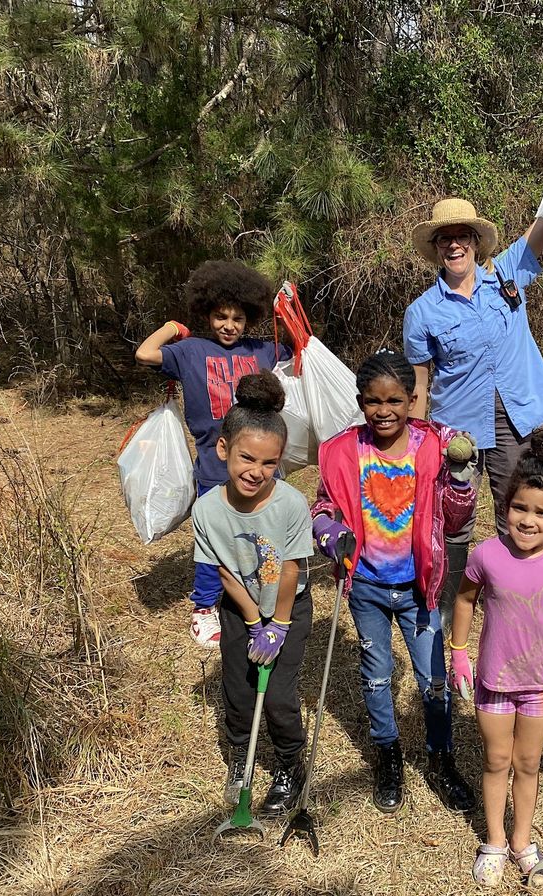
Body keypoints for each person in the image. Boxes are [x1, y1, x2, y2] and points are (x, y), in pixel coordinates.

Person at [310, 350, 480, 814]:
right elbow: (324, 507)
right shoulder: (342, 451)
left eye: (394, 401)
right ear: (360, 401)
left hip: (419, 588)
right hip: (364, 584)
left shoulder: (434, 448)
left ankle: (441, 758)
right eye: (372, 401)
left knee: (433, 680)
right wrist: (331, 534)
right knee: (377, 676)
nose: (383, 411)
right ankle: (388, 755)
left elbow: (457, 517)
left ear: (413, 400)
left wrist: (461, 481)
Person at [402, 198, 543, 628]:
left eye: (461, 236)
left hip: (515, 418)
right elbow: (420, 382)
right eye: (444, 239)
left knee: (516, 508)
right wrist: (415, 440)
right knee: (455, 518)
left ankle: (514, 597)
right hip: (458, 429)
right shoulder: (422, 312)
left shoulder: (506, 274)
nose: (454, 245)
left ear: (476, 242)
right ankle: (447, 603)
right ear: (437, 248)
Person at [448, 430, 543, 885]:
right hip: (494, 680)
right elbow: (466, 600)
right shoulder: (487, 554)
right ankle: (493, 840)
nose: (528, 520)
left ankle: (522, 840)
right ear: (504, 507)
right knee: (496, 760)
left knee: (529, 764)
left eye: (542, 512)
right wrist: (458, 652)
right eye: (520, 508)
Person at [135, 260, 288, 647]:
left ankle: (262, 590)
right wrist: (172, 328)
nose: (229, 325)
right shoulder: (189, 351)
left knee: (266, 532)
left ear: (249, 318)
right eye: (221, 316)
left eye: (238, 318)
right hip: (213, 464)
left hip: (261, 463)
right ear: (207, 314)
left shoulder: (261, 350)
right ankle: (204, 609)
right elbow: (144, 354)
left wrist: (288, 311)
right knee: (212, 539)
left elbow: (299, 349)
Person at [190, 372, 314, 816]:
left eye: (269, 464)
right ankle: (241, 760)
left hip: (288, 607)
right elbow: (223, 571)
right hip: (238, 609)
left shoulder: (290, 505)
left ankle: (288, 764)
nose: (256, 472)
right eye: (247, 458)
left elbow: (290, 568)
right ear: (223, 449)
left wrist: (277, 624)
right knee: (239, 692)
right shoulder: (206, 510)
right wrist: (250, 620)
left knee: (279, 695)